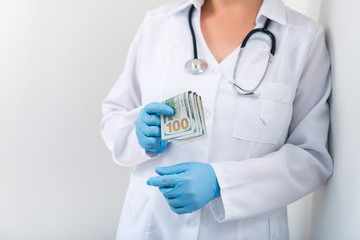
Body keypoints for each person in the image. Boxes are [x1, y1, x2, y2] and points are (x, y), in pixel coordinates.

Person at [101, 0, 333, 239]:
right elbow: (113, 117)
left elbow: (310, 158)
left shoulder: (303, 39)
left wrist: (221, 182)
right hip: (153, 226)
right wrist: (137, 134)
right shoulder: (159, 24)